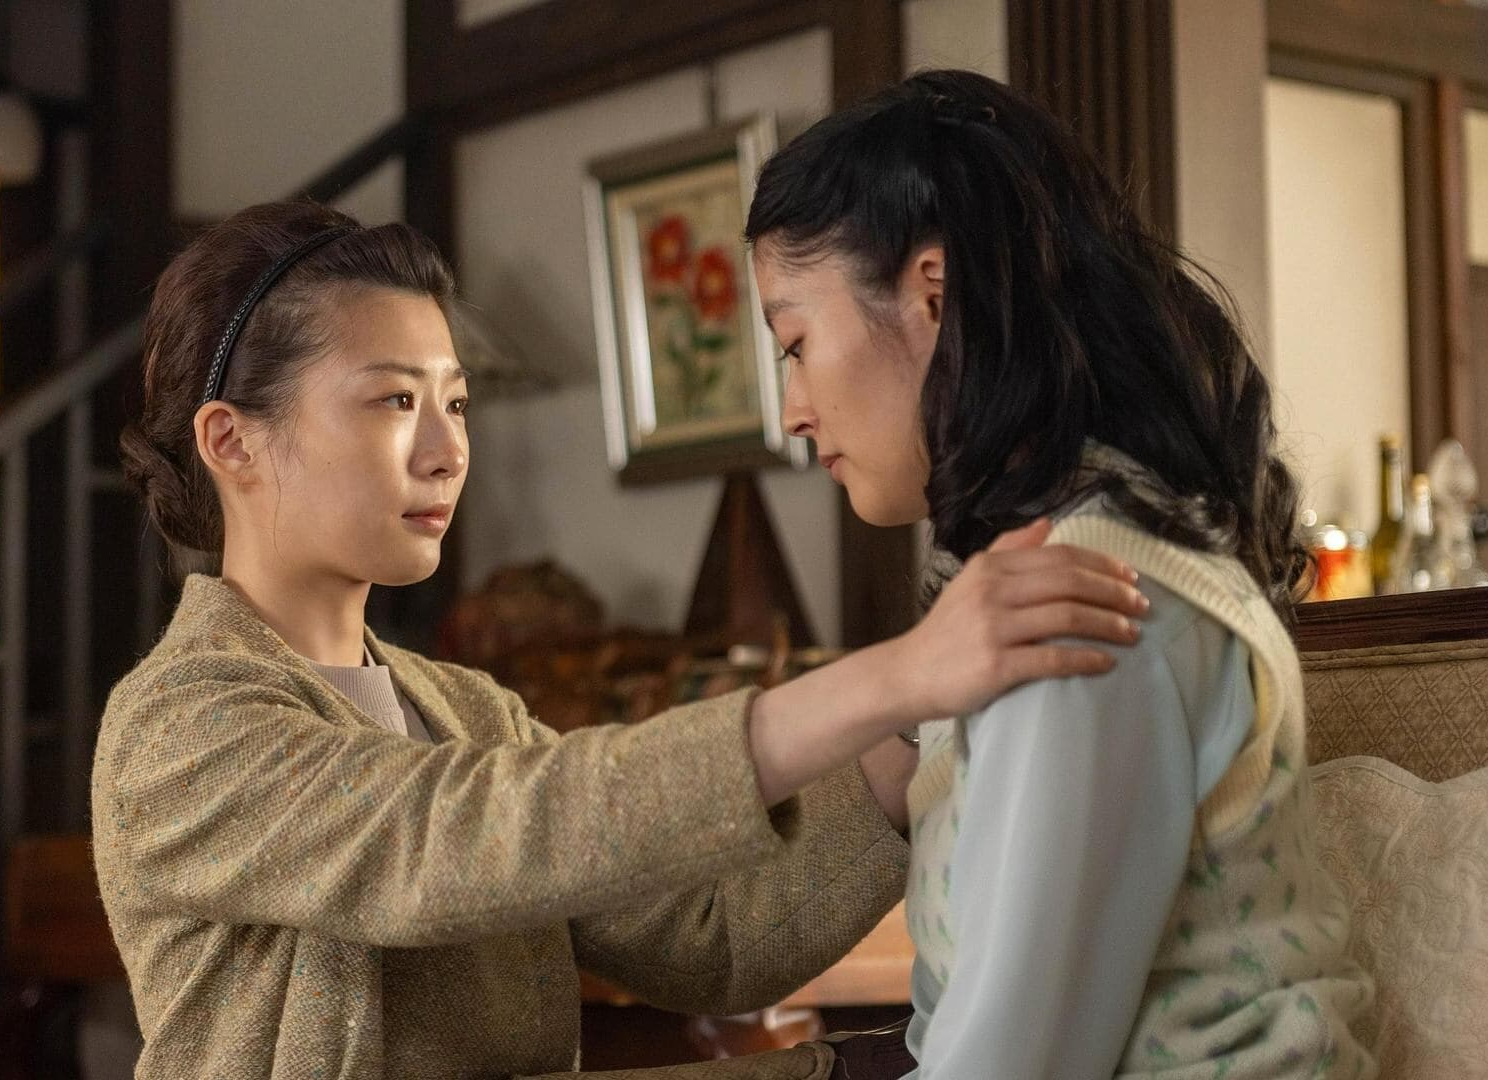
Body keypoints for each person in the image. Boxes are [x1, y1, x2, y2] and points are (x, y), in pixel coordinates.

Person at [93, 195, 1150, 1079]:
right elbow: (466, 837)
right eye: (394, 401)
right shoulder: (179, 728)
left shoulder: (468, 711)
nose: (446, 450)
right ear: (232, 440)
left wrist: (912, 730)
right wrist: (892, 676)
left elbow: (710, 940)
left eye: (457, 404)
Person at [744, 69, 1375, 1080]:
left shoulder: (1088, 604)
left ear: (933, 294)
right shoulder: (1058, 566)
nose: (793, 411)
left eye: (796, 344)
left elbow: (1010, 1062)